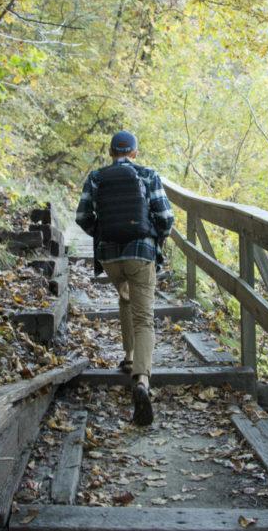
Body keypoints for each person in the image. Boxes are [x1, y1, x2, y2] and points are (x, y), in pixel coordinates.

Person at [75, 131, 175, 426]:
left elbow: (82, 216)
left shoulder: (96, 177)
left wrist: (103, 234)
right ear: (135, 152)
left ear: (110, 152)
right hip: (140, 252)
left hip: (109, 257)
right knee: (145, 318)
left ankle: (129, 355)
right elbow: (165, 217)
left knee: (124, 296)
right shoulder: (147, 174)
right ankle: (142, 379)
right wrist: (158, 239)